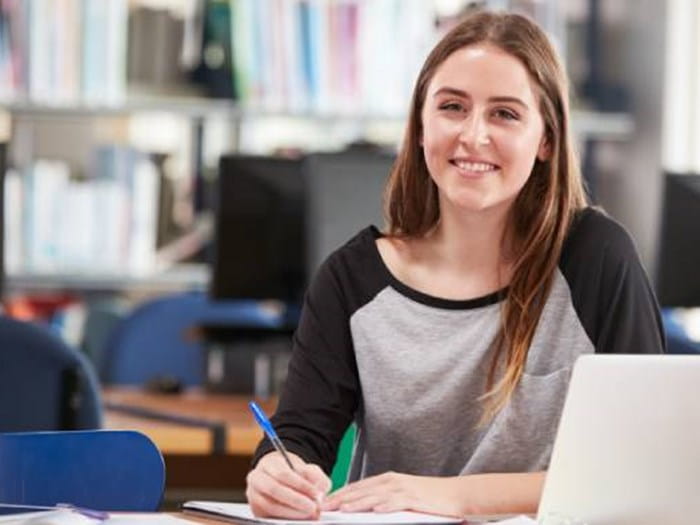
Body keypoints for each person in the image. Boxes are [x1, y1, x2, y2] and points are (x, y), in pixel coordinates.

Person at [245, 9, 665, 520]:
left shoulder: (596, 258)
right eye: (452, 107)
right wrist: (276, 473)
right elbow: (299, 438)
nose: (473, 135)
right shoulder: (351, 279)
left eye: (505, 114)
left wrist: (451, 496)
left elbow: (644, 471)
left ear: (547, 140)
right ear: (421, 127)